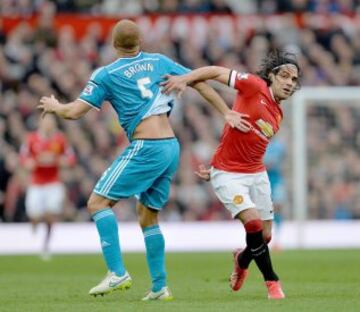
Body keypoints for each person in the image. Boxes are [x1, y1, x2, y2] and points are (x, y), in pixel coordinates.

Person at [37, 19, 245, 300]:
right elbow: (198, 81)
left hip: (147, 145)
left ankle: (117, 272)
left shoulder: (107, 74)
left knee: (97, 203)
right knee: (148, 217)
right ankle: (160, 287)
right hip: (171, 146)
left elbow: (75, 112)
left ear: (113, 44)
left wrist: (54, 106)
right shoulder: (159, 61)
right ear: (140, 42)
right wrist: (226, 111)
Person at [161, 50, 300, 299]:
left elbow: (243, 142)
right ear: (271, 76)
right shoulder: (254, 86)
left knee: (265, 236)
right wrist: (185, 79)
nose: (290, 83)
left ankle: (242, 259)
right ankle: (273, 283)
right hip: (228, 174)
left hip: (257, 172)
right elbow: (214, 71)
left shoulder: (278, 113)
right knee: (253, 223)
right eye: (285, 76)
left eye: (294, 80)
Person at [19, 114, 75, 260]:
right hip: (36, 183)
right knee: (34, 214)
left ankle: (46, 243)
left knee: (51, 213)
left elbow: (70, 158)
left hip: (53, 182)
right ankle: (34, 233)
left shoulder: (60, 139)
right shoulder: (31, 139)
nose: (49, 125)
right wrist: (32, 163)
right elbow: (23, 158)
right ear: (40, 123)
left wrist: (56, 160)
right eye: (46, 122)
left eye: (51, 122)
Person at [264, 135, 288, 250]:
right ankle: (264, 237)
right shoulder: (259, 143)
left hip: (276, 180)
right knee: (263, 208)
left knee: (277, 207)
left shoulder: (279, 145)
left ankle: (277, 238)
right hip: (262, 180)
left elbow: (273, 163)